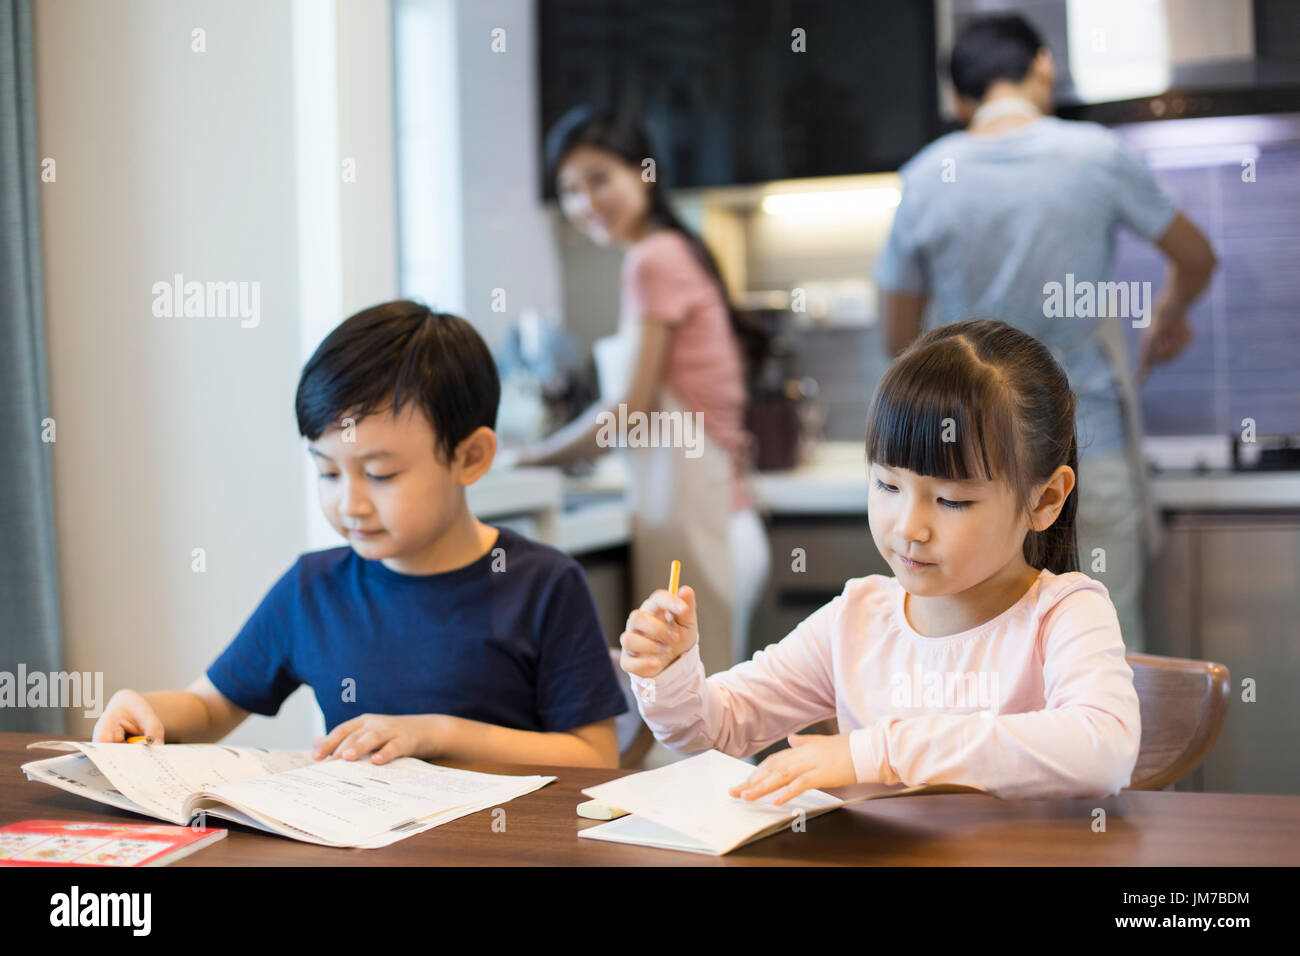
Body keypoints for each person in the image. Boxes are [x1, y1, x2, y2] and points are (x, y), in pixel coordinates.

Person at [620, 320, 1141, 802]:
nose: (909, 528)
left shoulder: (1065, 614)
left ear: (1046, 500)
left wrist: (874, 753)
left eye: (952, 500)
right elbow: (713, 731)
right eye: (887, 485)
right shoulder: (856, 620)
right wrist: (670, 675)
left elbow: (1103, 750)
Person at [92, 301, 627, 767]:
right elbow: (211, 708)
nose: (349, 503)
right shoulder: (313, 589)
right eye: (328, 472)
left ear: (470, 457)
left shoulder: (543, 584)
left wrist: (437, 735)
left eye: (380, 474)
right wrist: (149, 711)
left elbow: (593, 756)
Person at [876, 14, 1218, 654]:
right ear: (1042, 66)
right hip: (1085, 453)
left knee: (978, 656)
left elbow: (897, 338)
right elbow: (1197, 258)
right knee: (1103, 652)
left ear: (958, 99)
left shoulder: (925, 177)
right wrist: (1168, 318)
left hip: (964, 477)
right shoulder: (1096, 155)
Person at [511, 106, 770, 674]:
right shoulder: (676, 250)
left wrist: (528, 458)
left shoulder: (652, 260)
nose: (585, 203)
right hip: (724, 523)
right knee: (714, 730)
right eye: (570, 190)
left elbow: (627, 413)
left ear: (644, 174)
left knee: (701, 734)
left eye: (600, 179)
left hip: (706, 530)